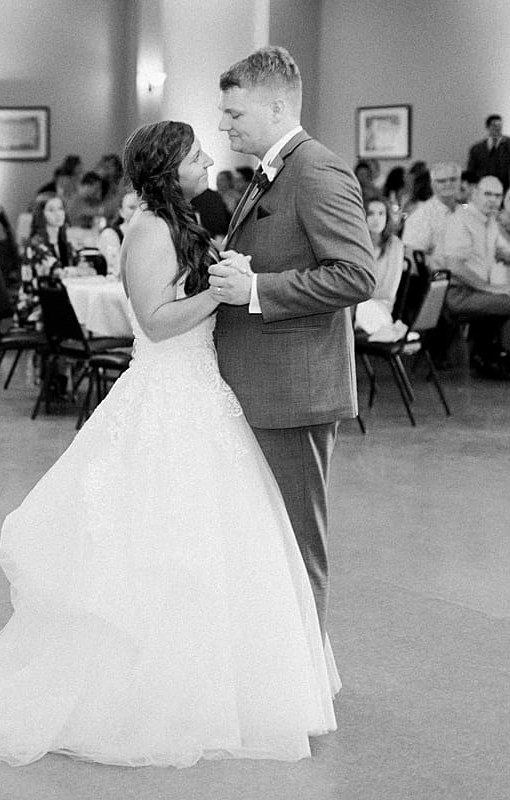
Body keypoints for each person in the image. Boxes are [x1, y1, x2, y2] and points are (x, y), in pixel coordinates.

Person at [0, 120, 338, 768]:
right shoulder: (149, 229)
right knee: (153, 547)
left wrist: (226, 279)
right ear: (170, 165)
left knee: (214, 547)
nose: (208, 157)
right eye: (196, 152)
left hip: (203, 393)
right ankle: (138, 692)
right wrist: (220, 297)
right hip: (165, 390)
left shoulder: (182, 219)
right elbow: (157, 323)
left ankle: (212, 684)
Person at [211, 45, 375, 631]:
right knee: (265, 540)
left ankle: (307, 683)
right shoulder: (275, 169)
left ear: (278, 108)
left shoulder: (317, 170)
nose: (223, 125)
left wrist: (255, 288)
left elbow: (356, 274)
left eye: (235, 114)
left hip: (292, 392)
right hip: (262, 386)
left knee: (297, 544)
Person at [438, 176, 510, 373]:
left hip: (475, 292)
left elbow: (504, 252)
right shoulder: (461, 219)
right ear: (475, 193)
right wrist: (490, 289)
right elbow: (455, 267)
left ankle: (495, 357)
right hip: (458, 294)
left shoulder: (490, 221)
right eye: (488, 194)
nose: (493, 200)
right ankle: (500, 357)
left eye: (498, 195)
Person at [354, 197, 408, 341]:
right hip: (356, 304)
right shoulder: (358, 243)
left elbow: (388, 292)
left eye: (381, 213)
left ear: (387, 216)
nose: (376, 219)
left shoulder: (395, 245)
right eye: (370, 214)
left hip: (380, 308)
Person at [401, 162, 461, 270]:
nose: (448, 184)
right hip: (438, 280)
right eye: (441, 181)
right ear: (432, 184)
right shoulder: (422, 216)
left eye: (453, 179)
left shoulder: (465, 212)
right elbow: (412, 258)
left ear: (460, 182)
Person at [466, 114, 510, 189]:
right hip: (484, 188)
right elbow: (471, 171)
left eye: (499, 125)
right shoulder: (477, 149)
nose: (498, 128)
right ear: (487, 127)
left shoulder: (508, 145)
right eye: (494, 125)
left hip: (506, 187)